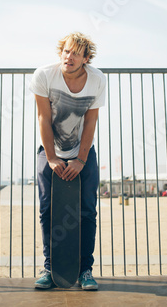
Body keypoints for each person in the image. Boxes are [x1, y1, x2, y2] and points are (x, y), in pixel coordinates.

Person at [30, 32, 106, 290]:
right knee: (47, 209)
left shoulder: (96, 80)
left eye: (75, 53)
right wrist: (51, 157)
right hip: (50, 149)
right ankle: (51, 269)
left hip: (82, 152)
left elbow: (91, 121)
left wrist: (81, 160)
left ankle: (85, 270)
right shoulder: (44, 76)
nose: (68, 57)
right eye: (65, 51)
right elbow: (43, 118)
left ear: (86, 58)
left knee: (86, 210)